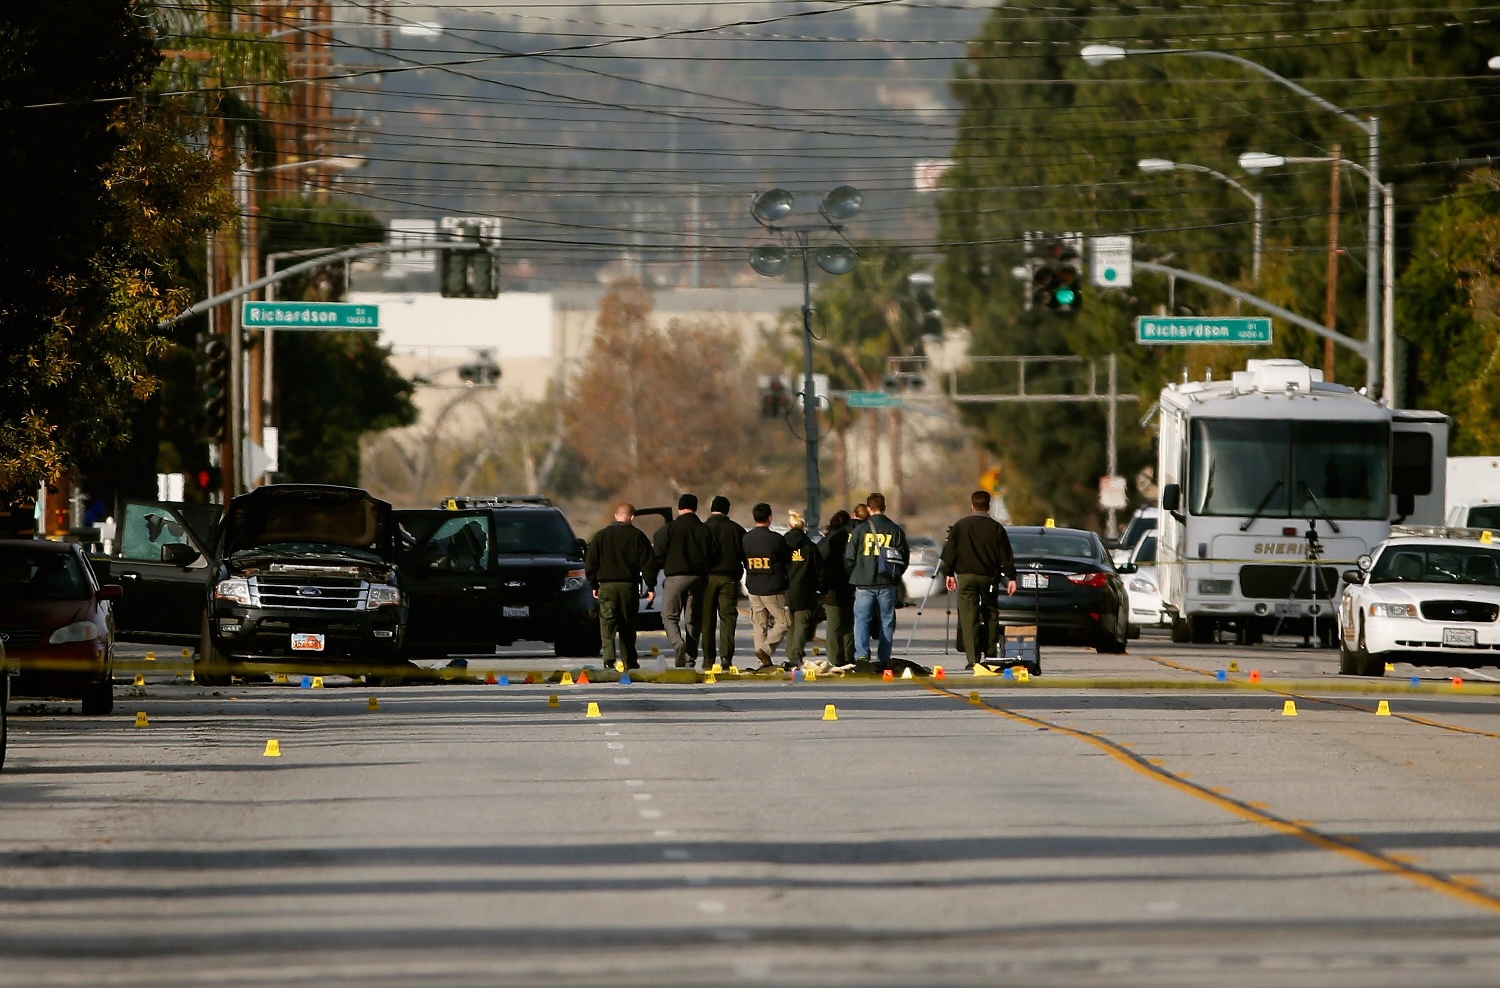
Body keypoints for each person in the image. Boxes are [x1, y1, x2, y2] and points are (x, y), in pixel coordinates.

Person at [940, 490, 1017, 669]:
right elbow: (1006, 556)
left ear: (972, 505)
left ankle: (973, 659)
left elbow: (949, 554)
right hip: (989, 578)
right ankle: (991, 656)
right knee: (991, 614)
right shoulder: (996, 528)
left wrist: (949, 574)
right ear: (988, 506)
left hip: (966, 578)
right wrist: (1011, 577)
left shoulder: (960, 526)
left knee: (969, 617)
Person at [585, 502, 659, 670]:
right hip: (628, 587)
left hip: (607, 586)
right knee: (628, 624)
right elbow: (648, 564)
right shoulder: (638, 536)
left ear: (615, 516)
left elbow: (590, 562)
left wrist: (593, 584)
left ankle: (609, 660)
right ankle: (630, 661)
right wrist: (651, 586)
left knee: (607, 623)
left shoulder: (601, 536)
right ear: (632, 517)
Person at [843, 492, 909, 669]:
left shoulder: (859, 531)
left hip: (863, 582)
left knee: (862, 620)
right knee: (886, 620)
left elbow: (849, 558)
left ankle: (862, 655)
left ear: (868, 508)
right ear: (884, 507)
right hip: (887, 582)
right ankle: (884, 657)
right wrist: (896, 576)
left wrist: (856, 574)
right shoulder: (895, 530)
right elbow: (904, 557)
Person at [652, 493, 716, 668]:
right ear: (695, 508)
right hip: (699, 579)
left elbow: (658, 553)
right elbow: (713, 555)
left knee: (669, 616)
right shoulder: (705, 530)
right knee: (693, 619)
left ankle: (679, 644)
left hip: (675, 579)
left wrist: (651, 579)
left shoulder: (669, 529)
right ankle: (691, 657)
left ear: (679, 508)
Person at [741, 502, 792, 670]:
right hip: (773, 587)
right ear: (770, 518)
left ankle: (763, 657)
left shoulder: (746, 539)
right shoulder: (775, 539)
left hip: (754, 587)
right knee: (785, 621)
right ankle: (765, 650)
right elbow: (787, 559)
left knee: (759, 623)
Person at [702, 495, 747, 670]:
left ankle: (708, 660)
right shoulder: (737, 530)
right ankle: (726, 658)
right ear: (728, 510)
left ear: (712, 509)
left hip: (707, 579)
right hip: (730, 579)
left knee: (707, 620)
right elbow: (745, 557)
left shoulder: (703, 529)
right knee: (728, 619)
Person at [817, 509, 856, 669]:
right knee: (848, 625)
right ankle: (849, 657)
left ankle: (834, 658)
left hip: (832, 587)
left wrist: (822, 588)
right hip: (850, 585)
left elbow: (820, 562)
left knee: (834, 625)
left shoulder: (828, 541)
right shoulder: (851, 538)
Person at [783, 509, 820, 666]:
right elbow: (819, 570)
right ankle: (796, 654)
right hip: (805, 591)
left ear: (789, 526)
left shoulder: (782, 544)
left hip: (785, 590)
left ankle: (790, 653)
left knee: (789, 625)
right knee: (802, 624)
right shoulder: (810, 547)